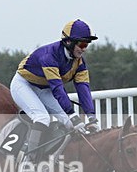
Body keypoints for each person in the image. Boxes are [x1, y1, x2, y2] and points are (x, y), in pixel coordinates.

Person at [10, 19, 100, 160]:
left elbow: (83, 89)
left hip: (44, 89)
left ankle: (60, 159)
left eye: (87, 44)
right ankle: (28, 160)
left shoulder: (80, 63)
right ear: (69, 42)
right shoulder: (49, 56)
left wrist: (91, 118)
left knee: (70, 124)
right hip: (24, 85)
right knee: (42, 118)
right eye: (82, 44)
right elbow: (57, 88)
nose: (84, 48)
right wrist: (73, 115)